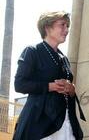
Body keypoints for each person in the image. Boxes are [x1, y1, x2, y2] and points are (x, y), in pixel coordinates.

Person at [13, 11, 85, 140]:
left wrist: (71, 89)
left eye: (67, 26)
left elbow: (68, 90)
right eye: (62, 25)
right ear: (47, 27)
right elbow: (19, 84)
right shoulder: (32, 51)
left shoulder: (64, 59)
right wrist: (50, 86)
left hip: (66, 121)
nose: (66, 29)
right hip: (40, 124)